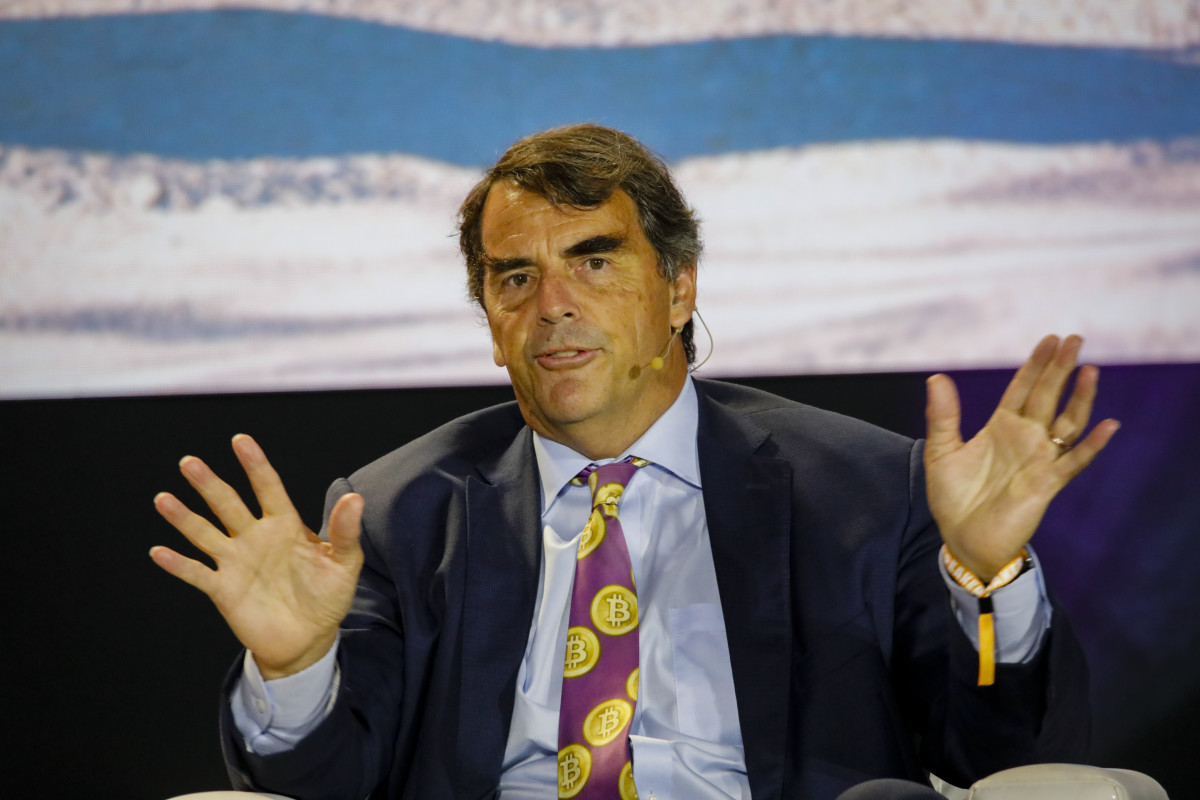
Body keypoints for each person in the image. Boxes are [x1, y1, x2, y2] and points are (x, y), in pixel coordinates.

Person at [150, 124, 1118, 800]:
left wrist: (989, 575)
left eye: (596, 260)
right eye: (516, 277)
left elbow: (1013, 757)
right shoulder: (399, 511)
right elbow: (314, 789)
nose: (553, 305)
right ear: (491, 320)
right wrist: (295, 667)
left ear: (678, 289)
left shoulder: (864, 488)